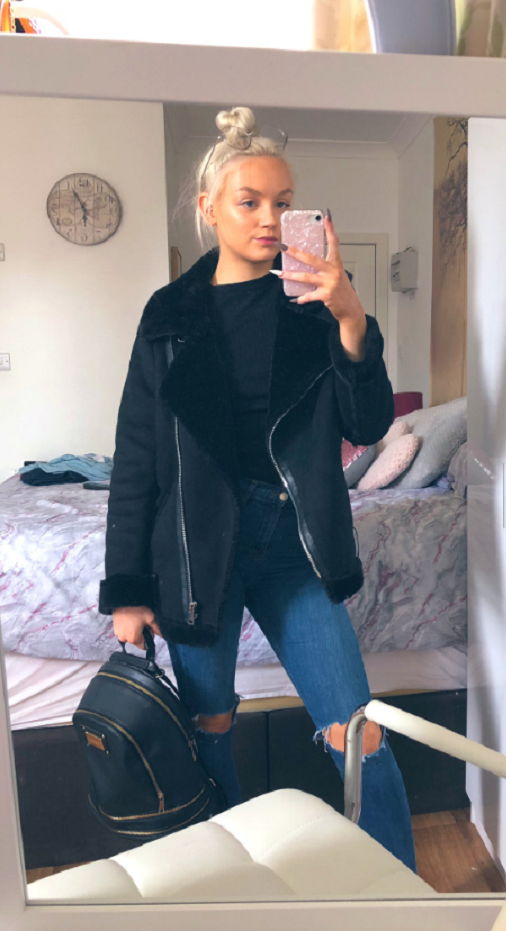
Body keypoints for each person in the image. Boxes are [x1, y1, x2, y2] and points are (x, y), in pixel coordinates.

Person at [98, 106, 415, 870]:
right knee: (207, 728)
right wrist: (128, 590)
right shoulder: (168, 315)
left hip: (294, 544)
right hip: (197, 550)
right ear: (209, 208)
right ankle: (228, 888)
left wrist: (350, 317)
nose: (271, 218)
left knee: (358, 730)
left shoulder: (315, 305)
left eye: (284, 201)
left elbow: (369, 422)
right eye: (250, 201)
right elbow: (137, 455)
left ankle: (404, 897)